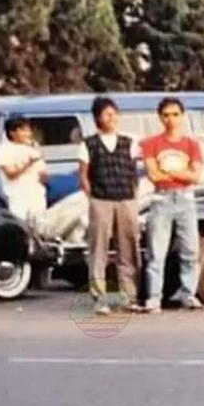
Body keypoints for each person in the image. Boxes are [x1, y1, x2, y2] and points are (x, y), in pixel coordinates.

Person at [140, 97, 204, 312]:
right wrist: (179, 174)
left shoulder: (191, 144)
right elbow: (153, 174)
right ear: (160, 117)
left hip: (186, 198)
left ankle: (189, 294)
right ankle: (154, 297)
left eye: (175, 114)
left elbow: (195, 175)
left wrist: (170, 171)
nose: (171, 119)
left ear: (182, 116)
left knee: (190, 250)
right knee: (156, 251)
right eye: (166, 115)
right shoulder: (151, 144)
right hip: (162, 198)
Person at [77, 97, 142, 316]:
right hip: (101, 199)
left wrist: (134, 195)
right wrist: (91, 197)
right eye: (106, 114)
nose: (111, 118)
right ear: (97, 118)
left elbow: (134, 171)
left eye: (114, 114)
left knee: (128, 248)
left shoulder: (129, 141)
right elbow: (83, 175)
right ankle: (99, 297)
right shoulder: (88, 144)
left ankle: (129, 295)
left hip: (126, 198)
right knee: (99, 249)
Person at [0, 116, 48, 224]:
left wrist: (44, 176)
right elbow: (10, 174)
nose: (27, 134)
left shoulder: (33, 147)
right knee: (20, 224)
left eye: (28, 130)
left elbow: (43, 171)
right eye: (23, 130)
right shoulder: (3, 150)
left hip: (37, 195)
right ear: (12, 132)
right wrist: (28, 163)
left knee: (40, 226)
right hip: (18, 196)